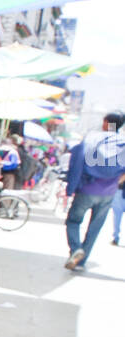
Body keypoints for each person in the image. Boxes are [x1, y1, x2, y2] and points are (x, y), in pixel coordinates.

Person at [64, 110, 125, 270]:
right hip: (109, 193)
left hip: (86, 189)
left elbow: (77, 162)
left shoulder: (92, 138)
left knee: (73, 220)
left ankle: (76, 249)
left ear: (106, 123)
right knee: (95, 228)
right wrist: (114, 182)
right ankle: (81, 262)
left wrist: (71, 188)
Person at [111, 172, 125, 246]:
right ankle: (115, 237)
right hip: (120, 190)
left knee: (117, 216)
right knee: (117, 216)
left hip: (120, 190)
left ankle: (115, 238)